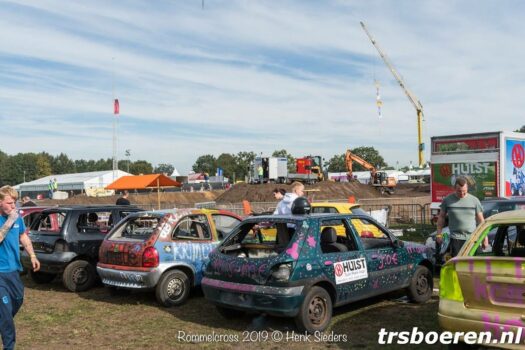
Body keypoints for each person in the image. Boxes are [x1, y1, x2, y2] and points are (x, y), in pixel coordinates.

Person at [0, 186, 40, 349]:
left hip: (14, 271)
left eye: (15, 202)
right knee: (6, 313)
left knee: (17, 300)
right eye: (10, 203)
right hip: (0, 273)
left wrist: (32, 255)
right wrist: (10, 221)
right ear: (0, 202)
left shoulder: (18, 218)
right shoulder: (10, 219)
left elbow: (23, 236)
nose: (13, 206)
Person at [436, 177, 485, 257]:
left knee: (475, 263)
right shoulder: (447, 200)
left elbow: (481, 220)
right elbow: (441, 217)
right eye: (459, 191)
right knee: (459, 264)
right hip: (456, 239)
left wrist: (484, 237)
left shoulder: (474, 200)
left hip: (472, 238)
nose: (462, 193)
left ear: (467, 188)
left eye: (464, 191)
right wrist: (439, 234)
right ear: (454, 188)